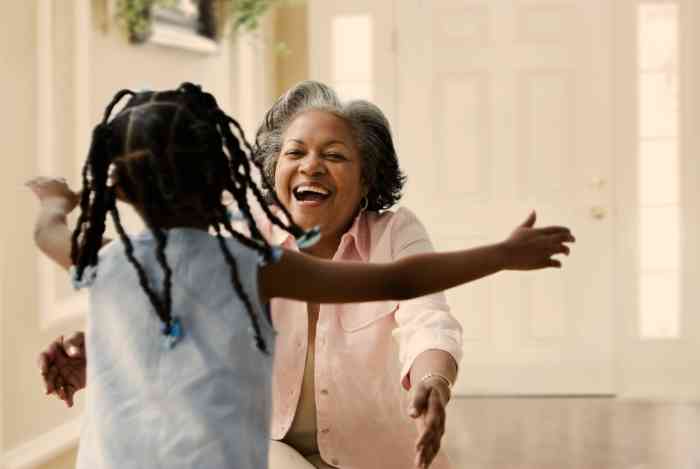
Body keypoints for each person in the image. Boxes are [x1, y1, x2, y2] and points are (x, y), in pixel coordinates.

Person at [31, 82, 575, 469]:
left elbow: (424, 311)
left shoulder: (113, 259)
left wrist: (54, 201)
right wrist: (500, 254)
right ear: (254, 173)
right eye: (296, 152)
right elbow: (396, 282)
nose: (312, 165)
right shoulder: (240, 252)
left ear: (368, 180)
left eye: (334, 155)